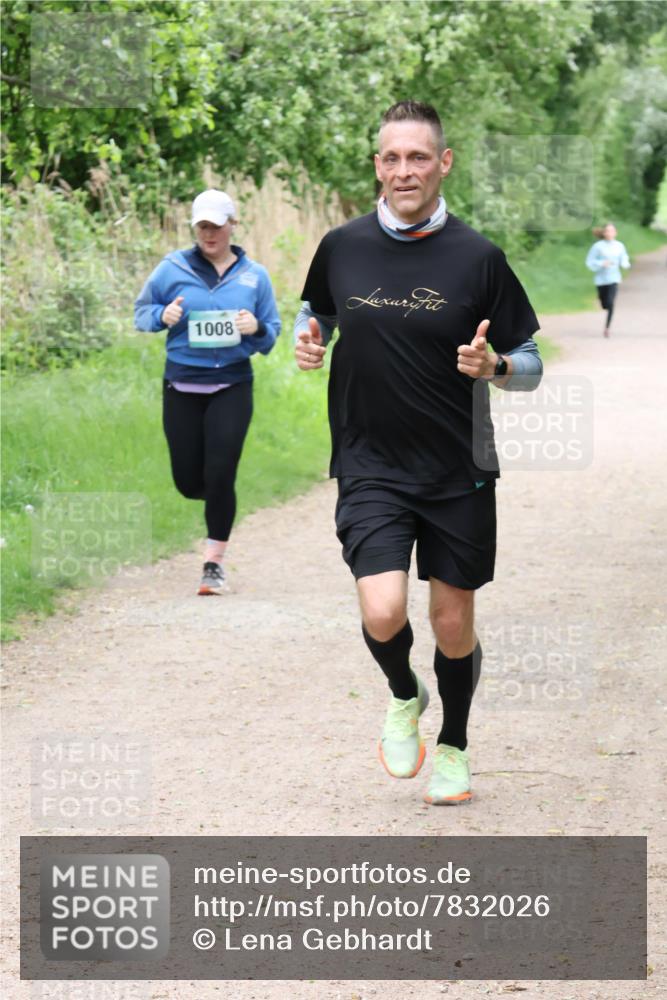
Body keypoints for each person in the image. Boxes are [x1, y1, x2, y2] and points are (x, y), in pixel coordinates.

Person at [294, 101, 542, 806]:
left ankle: (454, 746)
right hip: (369, 461)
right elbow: (317, 314)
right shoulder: (341, 246)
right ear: (378, 166)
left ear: (443, 164)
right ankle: (405, 693)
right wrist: (308, 340)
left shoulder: (479, 257)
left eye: (418, 157)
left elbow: (529, 362)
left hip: (458, 468)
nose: (404, 170)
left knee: (451, 622)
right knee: (382, 611)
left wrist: (496, 367)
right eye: (392, 158)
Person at [135, 189, 281, 594]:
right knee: (187, 481)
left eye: (216, 226)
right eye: (202, 226)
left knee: (220, 472)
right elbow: (141, 313)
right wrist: (162, 315)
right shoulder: (172, 268)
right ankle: (216, 494)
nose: (209, 233)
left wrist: (257, 327)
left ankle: (213, 564)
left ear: (233, 225)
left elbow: (272, 332)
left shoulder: (254, 275)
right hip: (181, 385)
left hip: (232, 385)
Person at [585, 222, 630, 337]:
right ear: (604, 233)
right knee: (604, 304)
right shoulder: (598, 246)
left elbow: (624, 258)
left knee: (610, 303)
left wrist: (624, 264)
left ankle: (607, 328)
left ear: (615, 233)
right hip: (601, 280)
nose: (609, 233)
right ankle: (604, 304)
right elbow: (590, 261)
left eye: (612, 231)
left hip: (614, 278)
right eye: (607, 231)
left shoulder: (619, 246)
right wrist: (601, 263)